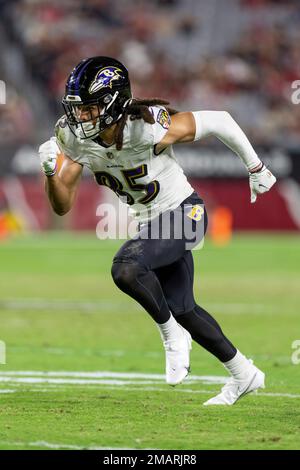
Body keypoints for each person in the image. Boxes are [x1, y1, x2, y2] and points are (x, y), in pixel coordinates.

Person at [38, 56, 276, 405]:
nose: (81, 117)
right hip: (152, 224)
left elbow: (220, 121)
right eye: (77, 109)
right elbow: (61, 205)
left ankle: (171, 336)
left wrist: (256, 168)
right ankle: (244, 374)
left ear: (112, 103)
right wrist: (49, 173)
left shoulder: (147, 126)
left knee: (127, 268)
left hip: (185, 214)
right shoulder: (74, 138)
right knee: (183, 308)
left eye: (89, 109)